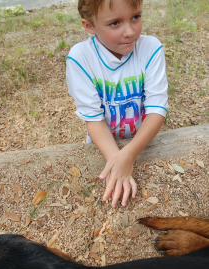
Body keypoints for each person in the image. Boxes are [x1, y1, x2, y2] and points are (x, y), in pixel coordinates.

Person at [66, 0, 168, 208]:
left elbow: (157, 109)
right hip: (102, 144)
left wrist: (129, 155)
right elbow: (93, 118)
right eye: (115, 23)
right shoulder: (80, 58)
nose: (130, 31)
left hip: (142, 140)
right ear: (89, 26)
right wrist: (117, 162)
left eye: (135, 17)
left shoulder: (151, 49)